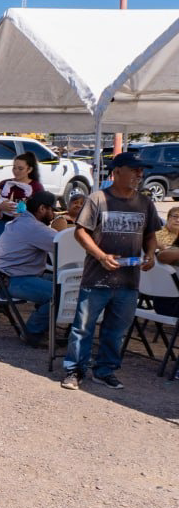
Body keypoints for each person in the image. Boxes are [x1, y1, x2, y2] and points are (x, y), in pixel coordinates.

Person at [60, 154, 161, 390]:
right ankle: (74, 370)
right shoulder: (98, 199)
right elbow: (80, 232)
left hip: (128, 280)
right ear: (116, 172)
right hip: (96, 278)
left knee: (116, 331)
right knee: (83, 328)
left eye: (141, 170)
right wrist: (101, 256)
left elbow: (150, 235)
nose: (139, 174)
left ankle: (105, 371)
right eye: (134, 170)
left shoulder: (145, 203)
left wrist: (151, 254)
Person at [0, 190, 60, 346]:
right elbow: (64, 244)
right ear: (42, 208)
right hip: (11, 281)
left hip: (3, 277)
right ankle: (32, 333)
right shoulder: (34, 227)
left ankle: (43, 326)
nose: (53, 214)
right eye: (52, 210)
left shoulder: (22, 220)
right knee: (60, 293)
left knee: (62, 282)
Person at [0, 151, 44, 244]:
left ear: (29, 169)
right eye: (14, 168)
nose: (16, 171)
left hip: (25, 227)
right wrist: (0, 206)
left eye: (20, 169)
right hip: (2, 225)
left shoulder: (36, 187)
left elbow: (40, 212)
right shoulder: (4, 183)